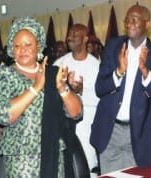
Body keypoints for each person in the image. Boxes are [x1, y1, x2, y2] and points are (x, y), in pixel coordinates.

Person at [0, 16, 83, 177]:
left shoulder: (53, 73)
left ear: (38, 46)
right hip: (22, 160)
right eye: (17, 45)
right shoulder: (4, 75)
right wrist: (36, 87)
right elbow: (3, 115)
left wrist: (61, 88)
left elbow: (76, 113)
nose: (22, 49)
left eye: (28, 44)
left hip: (54, 155)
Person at [90, 4, 151, 174]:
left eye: (135, 19)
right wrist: (118, 71)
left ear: (147, 24)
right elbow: (100, 88)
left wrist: (146, 72)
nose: (129, 24)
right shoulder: (112, 47)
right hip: (110, 132)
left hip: (138, 134)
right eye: (127, 19)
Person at [54, 23, 100, 177]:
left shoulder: (96, 66)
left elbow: (101, 99)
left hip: (87, 128)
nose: (69, 37)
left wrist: (81, 92)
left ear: (86, 38)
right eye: (69, 34)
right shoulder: (59, 64)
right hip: (64, 128)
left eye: (74, 34)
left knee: (86, 169)